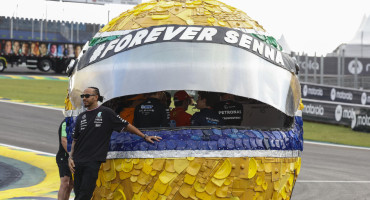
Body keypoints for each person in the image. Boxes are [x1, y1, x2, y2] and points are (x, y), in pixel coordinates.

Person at [68, 87, 161, 200]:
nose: (84, 98)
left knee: (84, 194)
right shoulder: (81, 117)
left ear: (96, 97)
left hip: (92, 161)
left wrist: (145, 136)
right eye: (83, 96)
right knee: (78, 194)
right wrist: (70, 157)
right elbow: (75, 140)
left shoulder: (106, 113)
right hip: (77, 161)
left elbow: (126, 125)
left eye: (87, 96)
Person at [56, 119, 74, 200]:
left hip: (74, 157)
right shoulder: (65, 123)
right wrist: (71, 155)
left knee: (71, 184)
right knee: (65, 183)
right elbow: (63, 140)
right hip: (64, 156)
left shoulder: (80, 120)